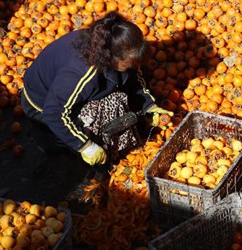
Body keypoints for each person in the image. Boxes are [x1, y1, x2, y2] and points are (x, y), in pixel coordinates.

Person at [20, 11, 172, 166]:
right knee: (105, 109)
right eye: (129, 64)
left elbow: (134, 74)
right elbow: (53, 112)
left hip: (62, 91)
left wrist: (148, 105)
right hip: (41, 105)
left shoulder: (108, 40)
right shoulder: (81, 73)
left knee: (119, 93)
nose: (134, 67)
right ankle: (52, 140)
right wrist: (85, 146)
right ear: (112, 58)